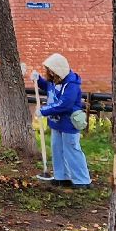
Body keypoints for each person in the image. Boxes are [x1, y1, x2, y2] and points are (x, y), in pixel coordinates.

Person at [35, 53, 91, 187]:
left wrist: (44, 111)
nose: (49, 73)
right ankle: (61, 176)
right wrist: (38, 80)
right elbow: (48, 88)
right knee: (57, 149)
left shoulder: (71, 84)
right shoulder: (55, 81)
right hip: (56, 122)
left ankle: (82, 180)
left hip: (69, 122)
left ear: (58, 70)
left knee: (71, 149)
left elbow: (65, 104)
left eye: (51, 71)